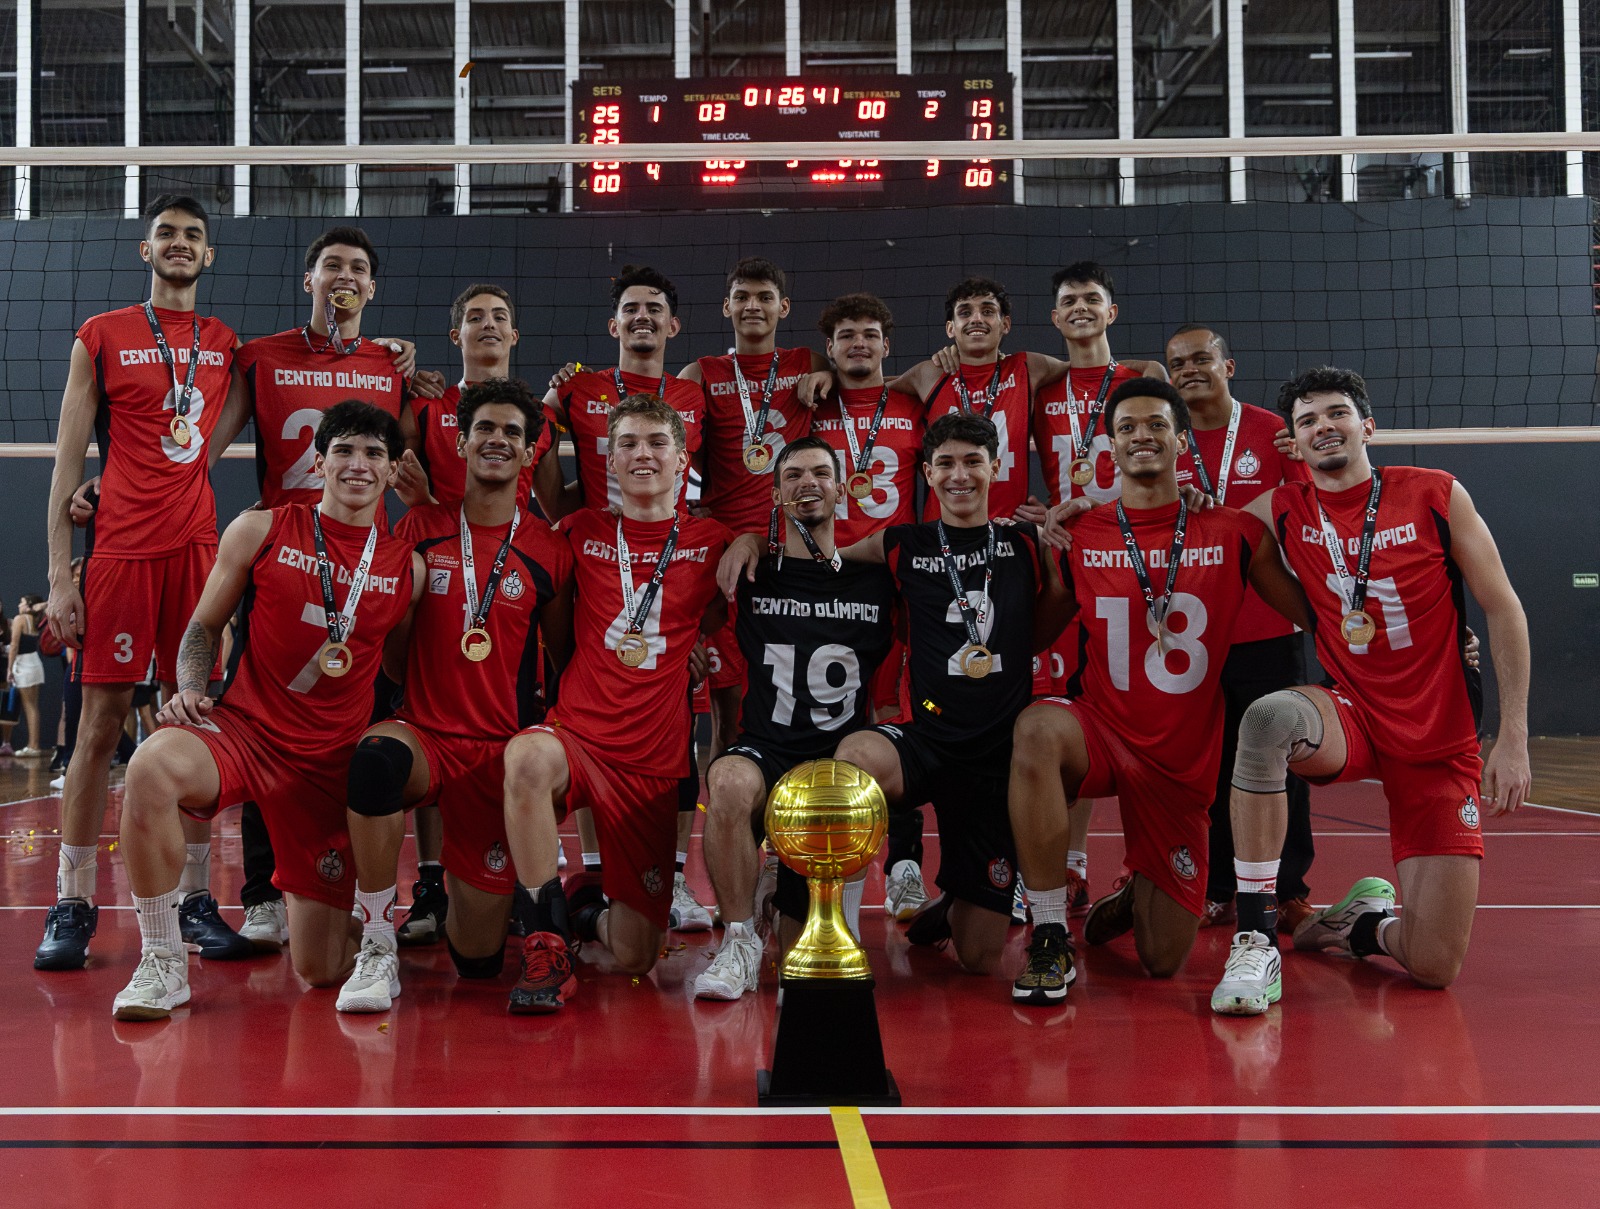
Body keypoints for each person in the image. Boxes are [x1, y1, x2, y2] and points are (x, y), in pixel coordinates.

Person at [1210, 367, 1529, 1015]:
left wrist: (1514, 736)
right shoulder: (1281, 509)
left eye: (1336, 413)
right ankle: (1255, 931)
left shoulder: (1435, 494)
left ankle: (1354, 924)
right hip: (1350, 713)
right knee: (1268, 719)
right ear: (1292, 445)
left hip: (1440, 737)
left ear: (1367, 426)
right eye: (1307, 421)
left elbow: (1505, 609)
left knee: (1435, 965)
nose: (1324, 425)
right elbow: (1192, 533)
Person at [1008, 378, 1313, 1006]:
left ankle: (1134, 896)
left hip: (1180, 761)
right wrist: (1038, 555)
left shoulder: (1232, 531)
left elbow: (1315, 614)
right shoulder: (1082, 533)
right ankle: (1046, 931)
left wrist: (1447, 641)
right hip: (1100, 727)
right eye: (1126, 428)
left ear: (1180, 440)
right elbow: (1034, 635)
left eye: (1154, 426)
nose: (1141, 436)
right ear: (1110, 448)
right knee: (1036, 729)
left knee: (1162, 962)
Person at [111, 402, 420, 1020]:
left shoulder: (405, 568)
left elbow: (404, 672)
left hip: (330, 763)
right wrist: (191, 684)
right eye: (344, 451)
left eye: (373, 455)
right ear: (318, 460)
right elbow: (202, 626)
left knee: (319, 971)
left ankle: (364, 937)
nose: (357, 465)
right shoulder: (261, 528)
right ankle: (163, 962)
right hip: (246, 732)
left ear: (392, 473)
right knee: (151, 766)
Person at [39, 194, 243, 972]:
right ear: (144, 249)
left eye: (194, 235)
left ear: (209, 255)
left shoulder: (227, 343)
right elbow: (65, 463)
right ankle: (73, 899)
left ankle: (194, 897)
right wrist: (61, 575)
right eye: (168, 234)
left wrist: (395, 352)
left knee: (191, 718)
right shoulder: (102, 335)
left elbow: (316, 363)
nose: (181, 243)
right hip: (120, 553)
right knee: (99, 726)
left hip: (196, 553)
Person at [335, 378, 573, 1013]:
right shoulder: (417, 528)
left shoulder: (550, 550)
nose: (497, 440)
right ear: (461, 442)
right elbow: (388, 651)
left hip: (499, 756)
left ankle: (523, 908)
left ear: (529, 455)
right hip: (425, 735)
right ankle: (379, 942)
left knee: (479, 963)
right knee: (374, 762)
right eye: (485, 430)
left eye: (512, 434)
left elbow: (567, 662)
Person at [499, 395, 730, 1013]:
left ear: (682, 460)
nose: (641, 454)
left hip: (651, 763)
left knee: (636, 955)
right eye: (626, 443)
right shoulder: (578, 532)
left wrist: (753, 547)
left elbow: (717, 618)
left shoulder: (715, 544)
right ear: (608, 458)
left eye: (656, 443)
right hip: (579, 736)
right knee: (524, 758)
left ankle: (583, 911)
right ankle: (543, 940)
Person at [828, 412, 1070, 974]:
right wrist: (749, 539)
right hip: (927, 741)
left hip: (995, 760)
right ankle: (833, 937)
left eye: (972, 462)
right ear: (928, 474)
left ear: (995, 467)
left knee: (981, 959)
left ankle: (955, 902)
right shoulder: (899, 542)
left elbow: (1052, 613)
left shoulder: (1026, 542)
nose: (959, 475)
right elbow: (820, 562)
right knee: (854, 760)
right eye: (945, 464)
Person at [535, 265, 712, 934]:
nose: (641, 318)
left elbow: (710, 481)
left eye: (654, 309)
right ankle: (595, 869)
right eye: (630, 309)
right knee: (585, 719)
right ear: (613, 325)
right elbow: (542, 457)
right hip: (599, 563)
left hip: (671, 567)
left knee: (682, 725)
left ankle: (670, 875)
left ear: (672, 325)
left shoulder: (695, 396)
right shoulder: (576, 390)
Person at [694, 437, 897, 1001]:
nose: (807, 483)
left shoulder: (876, 577)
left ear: (840, 486)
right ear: (777, 493)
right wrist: (748, 538)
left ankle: (791, 905)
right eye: (793, 476)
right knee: (728, 782)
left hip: (835, 762)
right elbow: (689, 613)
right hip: (768, 745)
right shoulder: (756, 570)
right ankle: (737, 943)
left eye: (819, 473)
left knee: (801, 971)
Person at [388, 283, 551, 948]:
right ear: (454, 336)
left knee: (508, 725)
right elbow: (385, 464)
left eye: (500, 318)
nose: (488, 326)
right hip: (438, 572)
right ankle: (429, 879)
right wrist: (391, 355)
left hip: (507, 581)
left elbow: (548, 505)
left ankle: (512, 872)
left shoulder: (537, 414)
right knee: (428, 714)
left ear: (515, 336)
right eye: (474, 318)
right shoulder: (425, 404)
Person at [1027, 263, 1169, 916]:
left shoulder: (1146, 377)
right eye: (1068, 302)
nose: (1080, 308)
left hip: (1147, 559)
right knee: (1078, 708)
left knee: (1154, 708)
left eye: (1092, 299)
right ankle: (1073, 864)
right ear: (1054, 319)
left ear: (1111, 312)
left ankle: (1159, 863)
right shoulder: (1042, 385)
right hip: (1074, 560)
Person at [1165, 323, 1316, 934]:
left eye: (1203, 358)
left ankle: (1288, 887)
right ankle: (1217, 883)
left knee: (1282, 763)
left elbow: (1304, 517)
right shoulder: (1159, 438)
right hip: (1191, 634)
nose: (1190, 370)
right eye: (1178, 364)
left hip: (1267, 627)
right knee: (1208, 765)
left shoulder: (1273, 437)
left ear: (1228, 366)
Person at [679, 257, 830, 767]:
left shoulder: (806, 361)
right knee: (728, 713)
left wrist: (824, 376)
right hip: (726, 563)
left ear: (783, 307)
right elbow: (684, 452)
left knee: (799, 702)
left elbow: (871, 380)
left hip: (791, 559)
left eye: (765, 297)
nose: (753, 306)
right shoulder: (700, 373)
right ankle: (731, 838)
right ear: (726, 306)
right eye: (742, 296)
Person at [5, 596, 49, 757]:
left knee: (29, 707)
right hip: (35, 663)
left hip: (24, 665)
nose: (18, 604)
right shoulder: (35, 620)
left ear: (28, 605)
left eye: (22, 602)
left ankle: (34, 746)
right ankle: (33, 744)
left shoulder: (20, 619)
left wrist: (9, 669)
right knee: (33, 707)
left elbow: (15, 645)